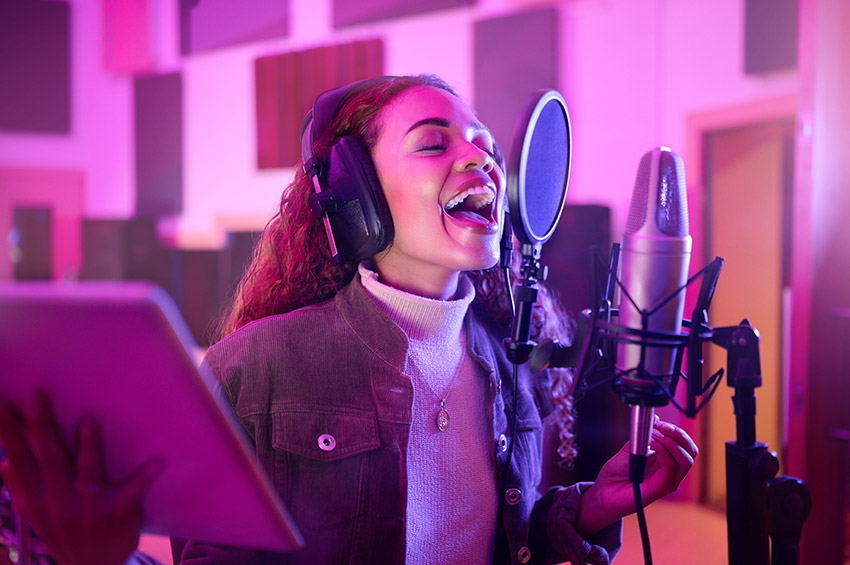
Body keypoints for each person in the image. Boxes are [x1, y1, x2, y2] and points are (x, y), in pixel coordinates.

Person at [0, 74, 698, 564]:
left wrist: (592, 507)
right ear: (356, 197)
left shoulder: (511, 365)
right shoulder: (253, 370)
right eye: (434, 143)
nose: (481, 158)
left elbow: (508, 538)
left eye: (486, 146)